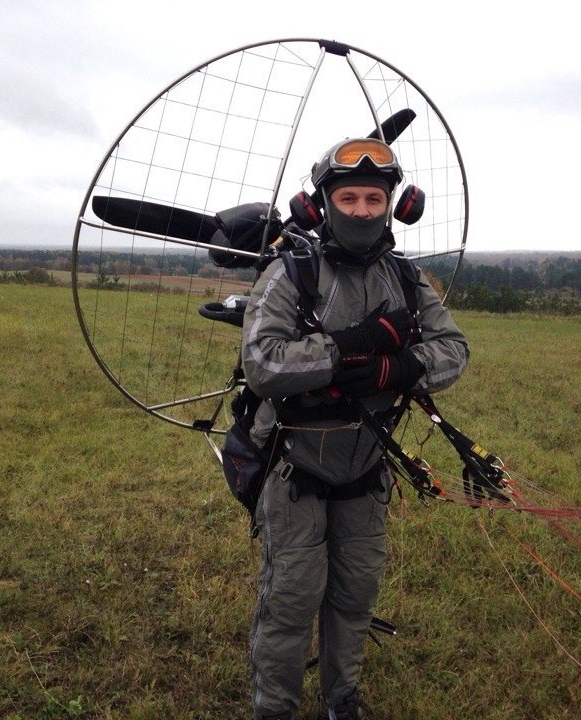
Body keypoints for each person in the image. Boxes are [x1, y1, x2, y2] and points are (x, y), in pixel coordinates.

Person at [240, 137, 470, 720]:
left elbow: (454, 349)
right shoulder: (291, 274)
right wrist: (348, 349)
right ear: (324, 204)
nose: (362, 211)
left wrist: (401, 367)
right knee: (291, 599)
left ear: (395, 204)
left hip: (367, 467)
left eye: (374, 198)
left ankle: (342, 701)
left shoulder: (406, 279)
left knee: (355, 594)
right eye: (349, 198)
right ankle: (275, 710)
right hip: (295, 467)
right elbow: (262, 362)